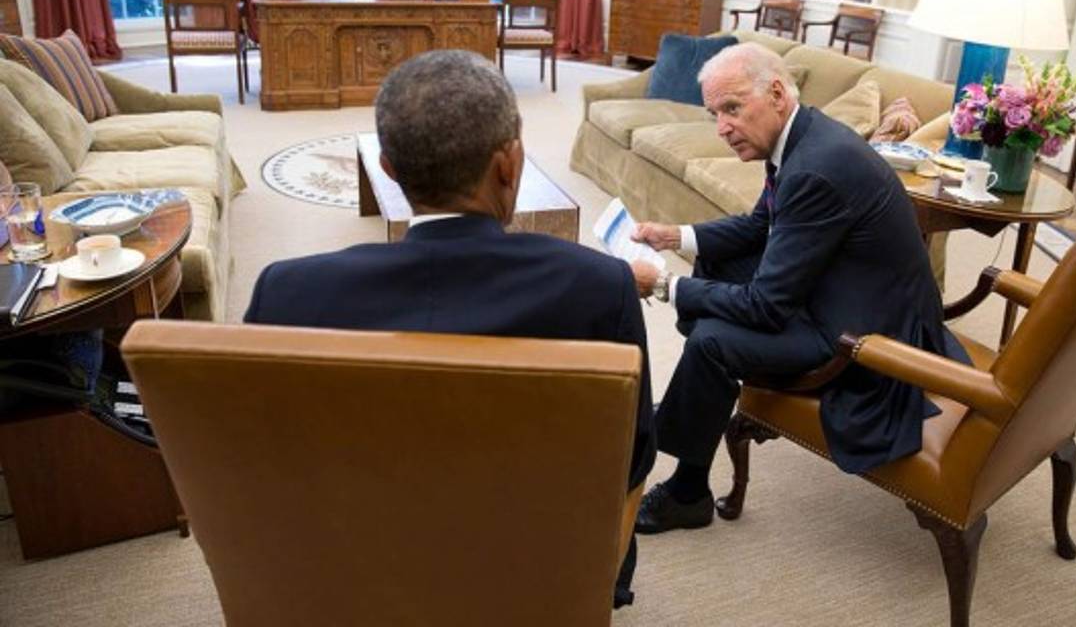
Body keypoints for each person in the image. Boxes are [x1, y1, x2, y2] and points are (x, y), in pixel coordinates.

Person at [245, 50, 656, 607]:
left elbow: (263, 461)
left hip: (355, 571)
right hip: (533, 574)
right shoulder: (599, 286)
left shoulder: (287, 292)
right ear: (509, 164)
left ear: (388, 169)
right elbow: (632, 460)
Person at [628, 42, 967, 534]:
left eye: (732, 108)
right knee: (717, 261)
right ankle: (697, 400)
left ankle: (687, 492)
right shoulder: (801, 136)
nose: (722, 127)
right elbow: (758, 226)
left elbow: (766, 306)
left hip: (866, 338)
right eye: (715, 114)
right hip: (845, 289)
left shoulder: (815, 168)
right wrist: (673, 236)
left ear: (777, 94)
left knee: (710, 342)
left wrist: (662, 283)